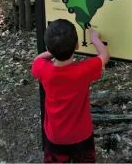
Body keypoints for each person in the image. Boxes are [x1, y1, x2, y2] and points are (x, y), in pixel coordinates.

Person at [31, 19, 110, 163]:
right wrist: (94, 39)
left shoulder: (43, 69)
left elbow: (37, 60)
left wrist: (51, 52)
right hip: (82, 137)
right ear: (77, 45)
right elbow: (105, 56)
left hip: (55, 137)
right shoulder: (83, 71)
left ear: (48, 48)